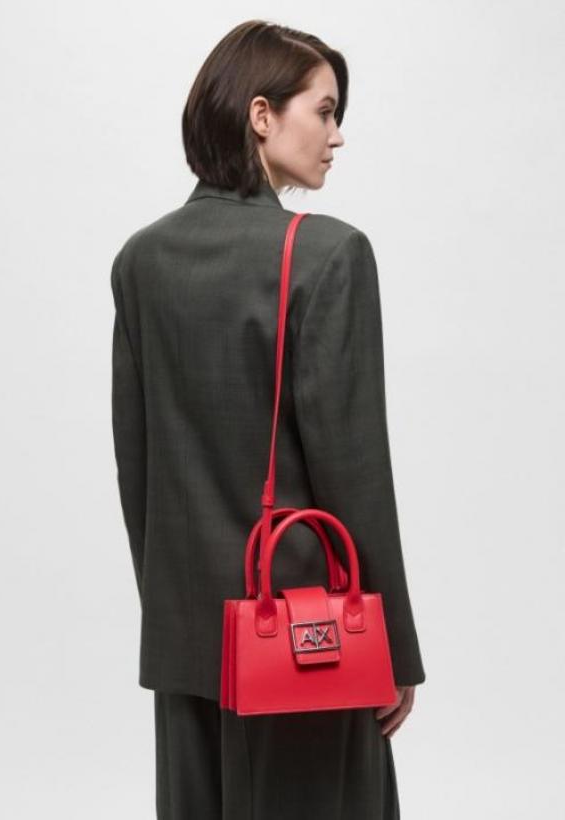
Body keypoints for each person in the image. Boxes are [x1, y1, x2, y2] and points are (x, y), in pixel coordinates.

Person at [110, 19, 426, 820]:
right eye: (324, 110)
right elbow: (356, 472)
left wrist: (177, 614)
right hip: (308, 642)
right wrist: (392, 648)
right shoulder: (328, 254)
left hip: (190, 645)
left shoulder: (141, 260)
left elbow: (137, 468)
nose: (337, 135)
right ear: (261, 115)